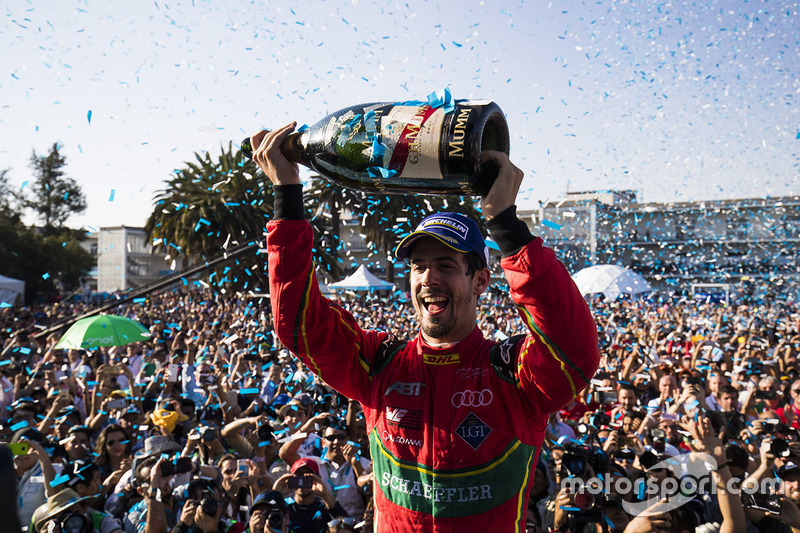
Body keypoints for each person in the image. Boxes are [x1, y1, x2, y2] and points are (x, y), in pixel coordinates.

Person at [250, 123, 600, 531]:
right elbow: (297, 323)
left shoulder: (512, 373)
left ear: (481, 281)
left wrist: (505, 222)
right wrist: (287, 193)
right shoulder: (379, 365)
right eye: (418, 266)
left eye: (446, 266)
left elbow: (575, 349)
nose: (428, 278)